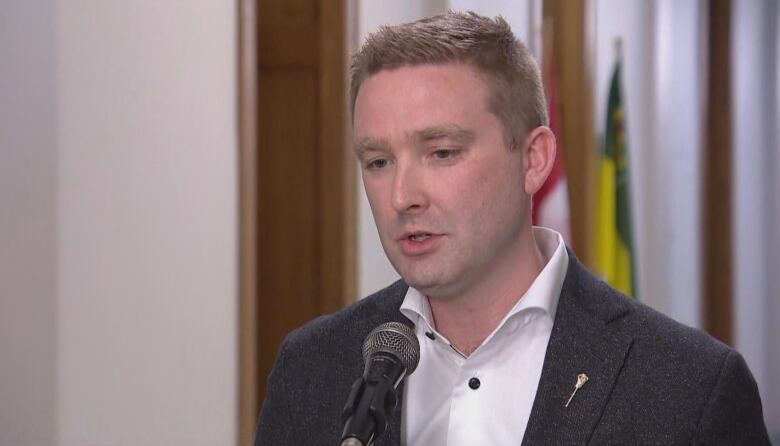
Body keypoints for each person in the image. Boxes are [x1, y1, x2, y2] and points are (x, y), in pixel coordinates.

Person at [255, 11, 770, 445]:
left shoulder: (690, 389)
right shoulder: (312, 369)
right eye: (378, 161)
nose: (402, 197)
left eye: (442, 153)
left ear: (534, 160)